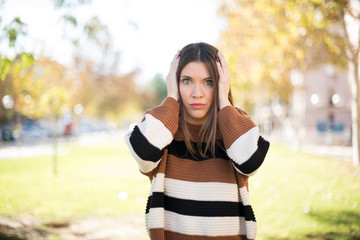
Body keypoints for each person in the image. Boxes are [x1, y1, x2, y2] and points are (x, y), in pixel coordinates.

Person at [125, 42, 270, 240]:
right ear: (174, 83)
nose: (197, 93)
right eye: (186, 81)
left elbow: (250, 163)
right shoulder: (162, 131)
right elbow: (144, 154)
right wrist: (172, 99)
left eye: (209, 82)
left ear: (221, 83)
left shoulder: (234, 127)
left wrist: (224, 102)